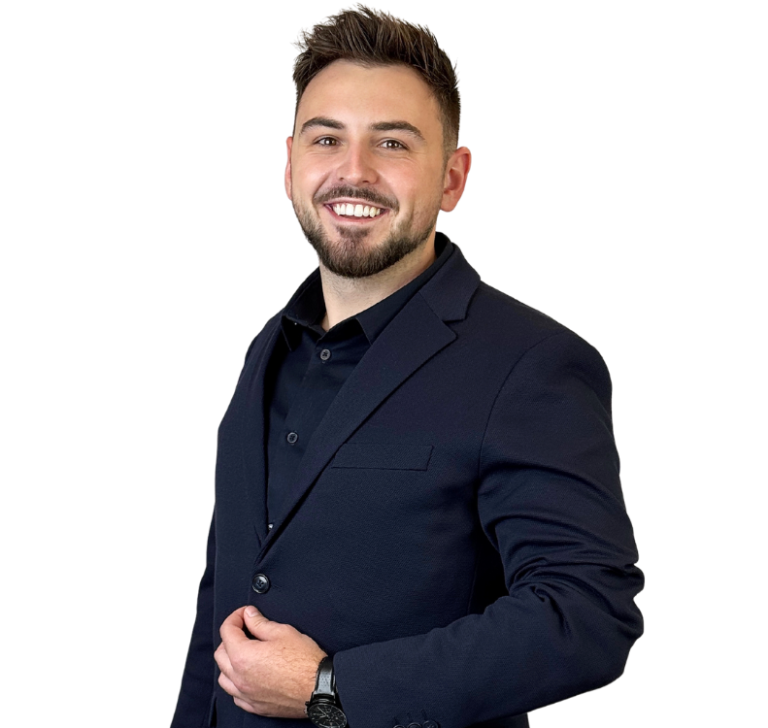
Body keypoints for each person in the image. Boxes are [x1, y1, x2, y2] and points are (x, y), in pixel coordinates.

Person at [170, 4, 643, 727]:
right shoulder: (266, 345)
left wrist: (329, 689)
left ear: (453, 178)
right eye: (327, 139)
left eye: (392, 143)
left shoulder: (532, 363)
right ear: (290, 166)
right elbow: (222, 601)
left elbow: (585, 617)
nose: (353, 172)